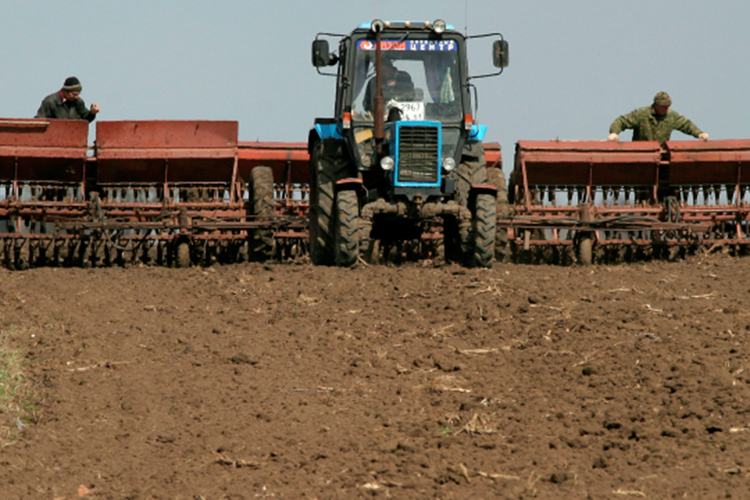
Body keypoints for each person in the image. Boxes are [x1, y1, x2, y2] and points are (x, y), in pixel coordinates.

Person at [607, 91, 708, 146]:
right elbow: (622, 121)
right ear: (656, 106)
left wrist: (699, 133)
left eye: (668, 106)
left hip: (661, 155)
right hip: (641, 155)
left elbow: (686, 124)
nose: (667, 109)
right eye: (664, 107)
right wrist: (614, 133)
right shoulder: (642, 114)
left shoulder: (671, 116)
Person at [35, 76, 100, 122]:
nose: (76, 97)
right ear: (66, 91)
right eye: (74, 94)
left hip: (74, 138)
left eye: (78, 94)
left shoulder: (78, 102)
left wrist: (92, 113)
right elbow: (40, 121)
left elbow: (85, 119)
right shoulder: (50, 102)